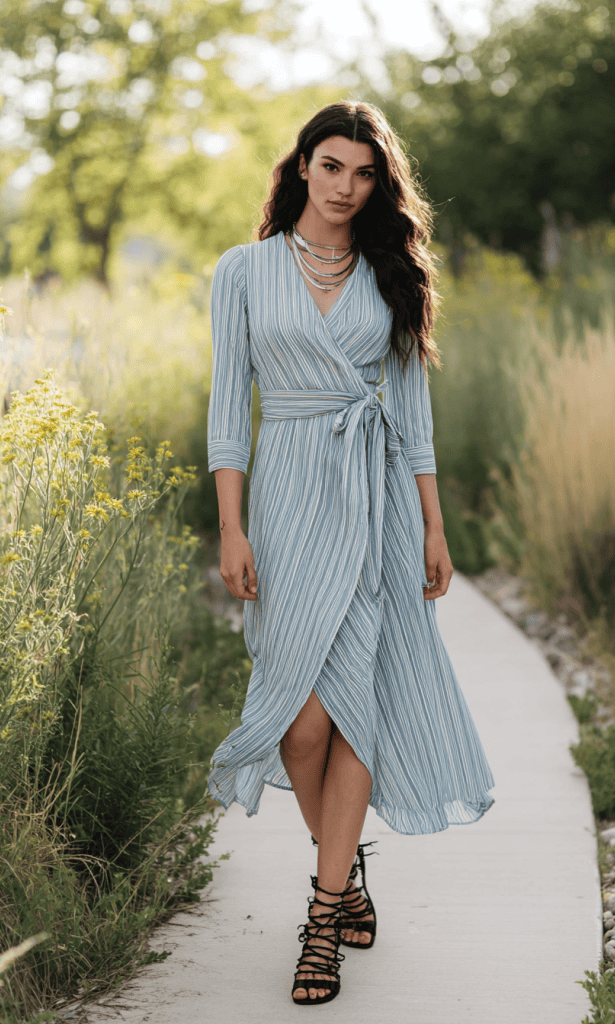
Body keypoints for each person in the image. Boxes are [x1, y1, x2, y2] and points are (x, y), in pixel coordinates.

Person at [206, 99, 495, 1006]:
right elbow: (227, 408)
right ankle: (347, 872)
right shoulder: (245, 270)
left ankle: (323, 920)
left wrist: (433, 526)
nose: (346, 187)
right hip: (288, 506)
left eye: (364, 174)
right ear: (300, 167)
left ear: (379, 184)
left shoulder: (388, 270)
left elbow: (409, 413)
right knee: (299, 727)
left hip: (374, 511)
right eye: (331, 166)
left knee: (357, 708)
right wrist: (232, 524)